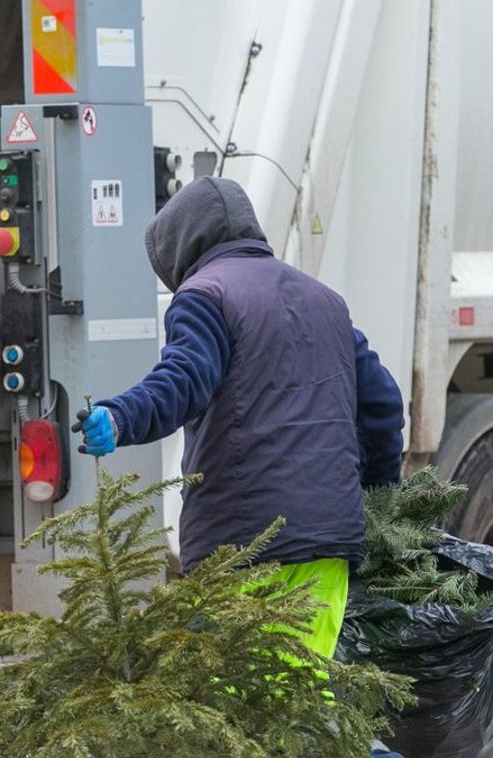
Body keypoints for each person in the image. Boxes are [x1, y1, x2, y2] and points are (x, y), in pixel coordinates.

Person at [74, 176, 404, 659]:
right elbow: (383, 404)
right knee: (306, 697)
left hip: (244, 545)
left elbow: (184, 379)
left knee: (244, 706)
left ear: (179, 251)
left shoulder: (206, 297)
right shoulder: (326, 302)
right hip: (330, 544)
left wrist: (120, 416)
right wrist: (375, 501)